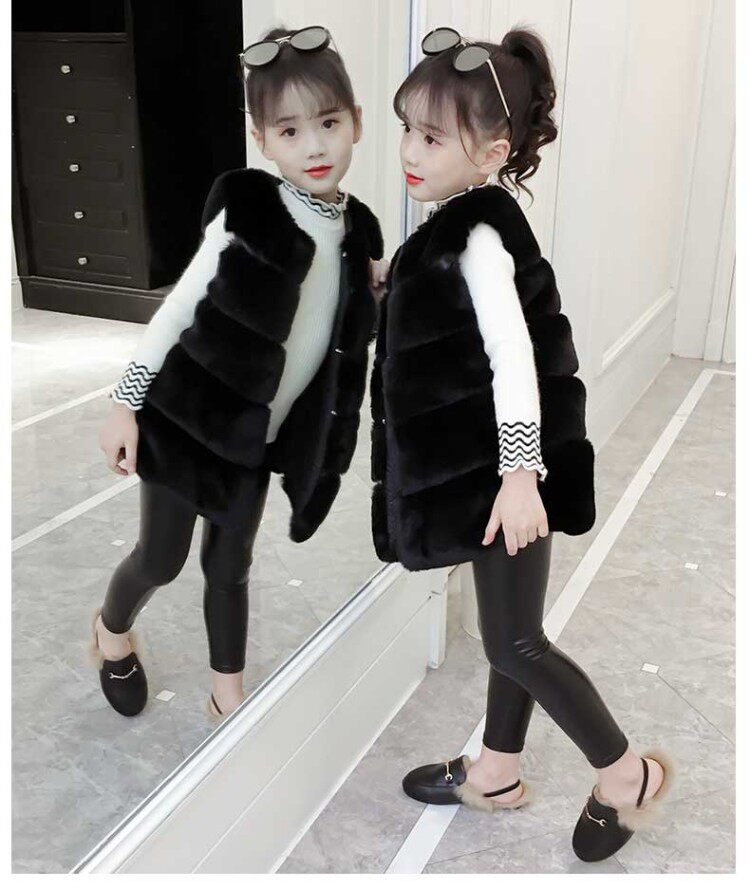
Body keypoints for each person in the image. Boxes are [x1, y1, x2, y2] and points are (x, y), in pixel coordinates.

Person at [371, 25, 673, 863]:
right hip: (482, 472)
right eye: (407, 129)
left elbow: (515, 361)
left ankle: (627, 775)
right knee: (511, 625)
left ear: (494, 152)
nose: (410, 151)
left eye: (433, 138)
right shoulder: (457, 228)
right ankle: (497, 771)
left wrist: (517, 476)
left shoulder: (478, 238)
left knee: (514, 640)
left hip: (505, 475)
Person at [91, 25, 388, 722]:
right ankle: (110, 631)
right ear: (262, 140)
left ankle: (228, 695)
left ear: (356, 121)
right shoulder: (251, 210)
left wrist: (375, 292)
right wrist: (124, 404)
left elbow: (336, 328)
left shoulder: (359, 232)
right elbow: (178, 309)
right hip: (186, 420)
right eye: (290, 131)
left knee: (230, 567)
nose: (314, 146)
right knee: (161, 560)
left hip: (256, 438)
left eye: (329, 123)